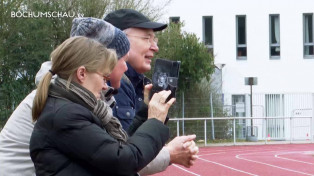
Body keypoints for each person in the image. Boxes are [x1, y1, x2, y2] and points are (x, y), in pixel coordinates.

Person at [0, 17, 198, 176]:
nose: (124, 67)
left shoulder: (72, 97)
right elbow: (120, 161)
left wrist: (148, 112)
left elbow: (111, 148)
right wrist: (167, 148)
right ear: (83, 71)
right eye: (121, 60)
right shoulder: (64, 109)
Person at [30, 36, 175, 175]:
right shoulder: (66, 115)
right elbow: (123, 160)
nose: (105, 86)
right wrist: (155, 121)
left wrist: (146, 112)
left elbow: (114, 148)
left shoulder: (70, 108)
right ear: (82, 74)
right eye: (104, 78)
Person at [104, 9, 197, 170]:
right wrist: (170, 153)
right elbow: (120, 157)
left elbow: (128, 142)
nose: (155, 47)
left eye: (155, 39)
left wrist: (147, 112)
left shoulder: (137, 83)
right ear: (118, 40)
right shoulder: (113, 84)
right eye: (147, 38)